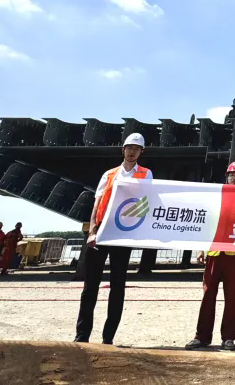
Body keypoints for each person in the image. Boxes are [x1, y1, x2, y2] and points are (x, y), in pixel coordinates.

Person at [75, 132, 152, 345]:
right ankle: (82, 336)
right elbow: (97, 203)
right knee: (90, 286)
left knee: (118, 286)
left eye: (136, 149)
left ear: (141, 152)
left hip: (123, 233)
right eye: (130, 148)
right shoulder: (109, 174)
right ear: (123, 150)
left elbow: (145, 200)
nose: (132, 152)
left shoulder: (146, 174)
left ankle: (108, 338)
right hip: (101, 230)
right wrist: (92, 231)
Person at [187, 160, 235, 351]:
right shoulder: (217, 195)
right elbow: (205, 222)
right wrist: (200, 248)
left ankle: (228, 337)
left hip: (233, 254)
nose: (234, 177)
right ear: (226, 176)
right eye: (232, 174)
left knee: (231, 297)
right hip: (214, 253)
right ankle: (202, 336)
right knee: (208, 295)